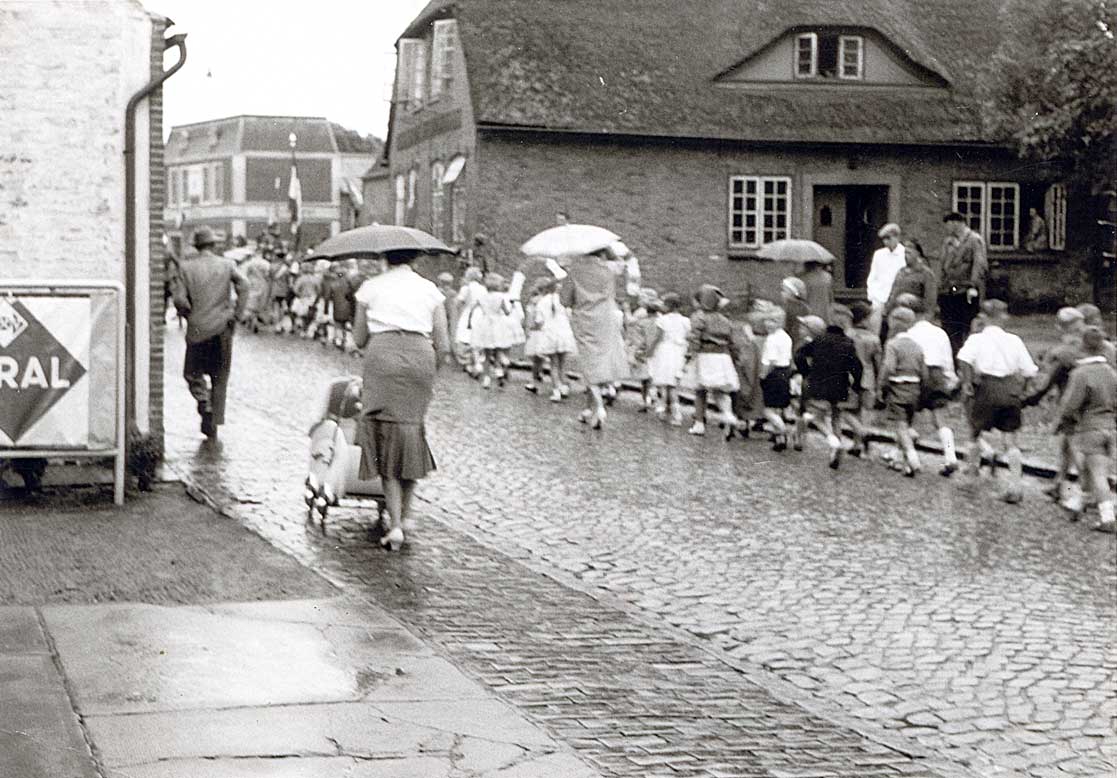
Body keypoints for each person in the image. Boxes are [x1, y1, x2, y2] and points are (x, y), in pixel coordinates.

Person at [352, 248, 451, 551]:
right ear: (415, 259)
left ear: (385, 258)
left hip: (382, 356)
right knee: (410, 432)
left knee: (384, 438)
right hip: (421, 356)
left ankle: (395, 525)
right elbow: (443, 343)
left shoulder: (370, 287)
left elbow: (358, 338)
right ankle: (407, 515)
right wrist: (430, 370)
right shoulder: (429, 289)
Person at [956, 299, 1039, 503]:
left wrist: (967, 382)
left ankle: (971, 473)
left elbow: (964, 359)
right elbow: (1029, 370)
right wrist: (1023, 388)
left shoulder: (976, 339)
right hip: (1010, 389)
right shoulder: (1015, 340)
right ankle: (1015, 486)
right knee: (1011, 439)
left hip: (986, 387)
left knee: (975, 432)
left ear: (984, 317)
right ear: (1002, 317)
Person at [171, 226, 249, 440]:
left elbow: (179, 299)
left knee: (192, 372)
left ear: (196, 246)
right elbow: (245, 284)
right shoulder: (227, 265)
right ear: (213, 245)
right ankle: (213, 425)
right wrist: (237, 314)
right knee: (220, 377)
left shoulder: (186, 268)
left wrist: (187, 314)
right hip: (222, 327)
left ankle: (203, 401)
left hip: (197, 328)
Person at [559, 249, 630, 429]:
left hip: (584, 319)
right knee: (599, 361)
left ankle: (598, 406)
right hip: (606, 318)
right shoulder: (608, 270)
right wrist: (612, 254)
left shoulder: (575, 271)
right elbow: (622, 270)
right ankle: (588, 408)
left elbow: (565, 301)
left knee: (588, 362)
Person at [1054, 327, 1116, 532]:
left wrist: (1062, 421)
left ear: (1082, 347)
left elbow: (1070, 404)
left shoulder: (1081, 373)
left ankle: (1107, 518)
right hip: (1109, 427)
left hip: (1090, 428)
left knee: (1097, 474)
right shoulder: (1110, 372)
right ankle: (1076, 505)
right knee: (1090, 470)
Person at [1023, 307, 1087, 501]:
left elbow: (1047, 382)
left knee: (1075, 447)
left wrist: (1028, 400)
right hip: (1091, 402)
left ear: (1061, 327)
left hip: (1071, 403)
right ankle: (1059, 484)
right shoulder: (1091, 344)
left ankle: (1090, 491)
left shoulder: (1063, 352)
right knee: (1067, 446)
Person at [894, 293, 960, 476]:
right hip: (937, 375)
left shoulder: (906, 334)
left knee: (905, 419)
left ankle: (904, 459)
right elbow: (947, 358)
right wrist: (950, 378)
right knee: (940, 420)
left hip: (914, 375)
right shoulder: (939, 332)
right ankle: (950, 455)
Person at [794, 306, 863, 468]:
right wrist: (856, 385)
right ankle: (835, 450)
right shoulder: (848, 343)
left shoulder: (820, 340)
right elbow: (857, 367)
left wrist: (806, 372)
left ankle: (833, 442)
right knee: (836, 417)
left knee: (817, 418)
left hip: (819, 385)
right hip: (840, 387)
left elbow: (799, 355)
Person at [684, 285, 740, 438]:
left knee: (700, 390)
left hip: (705, 355)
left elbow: (694, 337)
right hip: (723, 357)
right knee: (721, 390)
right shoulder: (725, 320)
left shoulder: (699, 317)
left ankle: (699, 423)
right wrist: (735, 358)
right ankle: (727, 414)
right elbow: (732, 342)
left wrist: (689, 355)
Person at [878, 306, 927, 477]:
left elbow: (888, 367)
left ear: (893, 322)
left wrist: (881, 386)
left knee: (900, 426)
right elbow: (924, 371)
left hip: (897, 388)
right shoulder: (917, 346)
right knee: (907, 425)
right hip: (914, 389)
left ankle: (913, 458)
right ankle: (903, 462)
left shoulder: (892, 344)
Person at [938, 212, 988, 355]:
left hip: (966, 289)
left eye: (948, 225)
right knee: (950, 325)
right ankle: (953, 355)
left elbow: (979, 264)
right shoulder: (948, 241)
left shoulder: (974, 240)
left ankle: (968, 356)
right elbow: (943, 264)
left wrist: (973, 285)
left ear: (956, 223)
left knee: (966, 324)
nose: (947, 229)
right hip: (950, 288)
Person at [844, 301, 881, 458]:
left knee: (844, 409)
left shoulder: (847, 335)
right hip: (868, 378)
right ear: (864, 319)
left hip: (849, 377)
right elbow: (879, 362)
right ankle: (859, 443)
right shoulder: (874, 338)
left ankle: (860, 434)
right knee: (864, 411)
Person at [647, 292, 691, 426]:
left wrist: (650, 350)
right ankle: (673, 412)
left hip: (665, 351)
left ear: (669, 306)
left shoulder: (663, 320)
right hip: (679, 352)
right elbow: (688, 337)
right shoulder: (685, 320)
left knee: (664, 383)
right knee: (673, 384)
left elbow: (658, 337)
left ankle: (665, 410)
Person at [471, 272, 520, 389]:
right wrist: (512, 306)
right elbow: (507, 312)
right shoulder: (500, 297)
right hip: (498, 325)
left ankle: (487, 378)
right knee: (498, 352)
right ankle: (499, 373)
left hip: (485, 324)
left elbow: (473, 309)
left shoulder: (482, 297)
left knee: (487, 354)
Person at [532, 276, 577, 402]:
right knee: (562, 363)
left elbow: (539, 321)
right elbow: (570, 317)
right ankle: (563, 386)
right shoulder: (564, 301)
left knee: (554, 364)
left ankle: (556, 389)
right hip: (563, 333)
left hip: (550, 334)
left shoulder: (542, 302)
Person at [884, 238, 938, 333]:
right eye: (904, 253)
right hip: (898, 316)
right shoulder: (901, 272)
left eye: (909, 253)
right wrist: (886, 310)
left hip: (916, 316)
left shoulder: (926, 274)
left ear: (917, 254)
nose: (905, 256)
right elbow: (893, 294)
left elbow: (930, 302)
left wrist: (925, 321)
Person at [758, 307, 794, 451]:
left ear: (780, 322)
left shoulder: (772, 339)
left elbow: (770, 361)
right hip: (785, 372)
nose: (767, 323)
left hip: (774, 373)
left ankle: (783, 430)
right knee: (777, 408)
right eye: (766, 320)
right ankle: (779, 438)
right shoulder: (786, 337)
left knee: (767, 410)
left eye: (772, 321)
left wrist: (763, 375)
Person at [866, 223, 906, 337]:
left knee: (896, 329)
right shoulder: (879, 254)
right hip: (879, 298)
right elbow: (873, 276)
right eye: (884, 239)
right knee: (874, 329)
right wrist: (873, 295)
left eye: (889, 238)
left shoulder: (904, 254)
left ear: (897, 237)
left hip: (897, 297)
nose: (886, 242)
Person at [625, 289, 660, 412]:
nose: (639, 300)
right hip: (653, 348)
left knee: (645, 376)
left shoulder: (641, 313)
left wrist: (626, 310)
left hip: (642, 346)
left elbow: (630, 322)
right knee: (650, 376)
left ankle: (647, 399)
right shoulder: (658, 316)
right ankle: (651, 397)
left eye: (642, 298)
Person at [454, 268, 486, 375]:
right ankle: (477, 361)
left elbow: (458, 302)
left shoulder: (466, 288)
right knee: (477, 336)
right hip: (480, 314)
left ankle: (467, 362)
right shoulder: (483, 289)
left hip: (469, 313)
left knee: (465, 337)